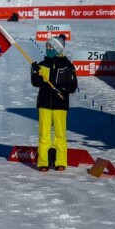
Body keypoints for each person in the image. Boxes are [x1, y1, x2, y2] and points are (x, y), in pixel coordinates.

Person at [31, 35, 78, 172]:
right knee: (44, 133)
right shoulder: (42, 65)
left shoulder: (67, 66)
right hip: (44, 103)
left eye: (50, 47)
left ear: (58, 49)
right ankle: (43, 162)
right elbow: (36, 82)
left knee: (60, 134)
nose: (48, 49)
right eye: (47, 47)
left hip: (60, 105)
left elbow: (73, 86)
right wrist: (34, 72)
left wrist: (62, 89)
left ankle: (60, 161)